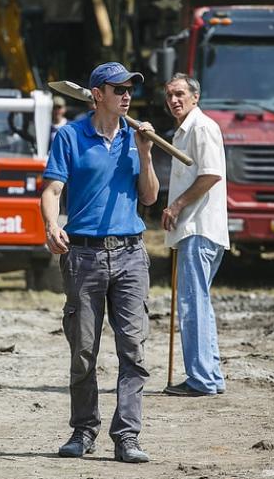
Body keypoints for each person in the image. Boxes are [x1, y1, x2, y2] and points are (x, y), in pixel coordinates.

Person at [40, 62, 159, 463]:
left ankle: (127, 436)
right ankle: (83, 430)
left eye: (130, 89)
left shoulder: (135, 137)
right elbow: (53, 189)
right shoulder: (70, 136)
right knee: (83, 351)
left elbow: (149, 197)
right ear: (97, 94)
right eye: (118, 88)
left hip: (130, 254)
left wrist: (145, 154)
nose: (127, 95)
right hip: (84, 255)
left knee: (133, 351)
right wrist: (52, 225)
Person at [161, 73, 230, 397]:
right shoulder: (185, 130)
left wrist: (175, 207)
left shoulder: (202, 127)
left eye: (179, 94)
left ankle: (201, 380)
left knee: (193, 304)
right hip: (199, 230)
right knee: (198, 302)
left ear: (195, 97)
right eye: (170, 96)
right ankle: (210, 377)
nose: (174, 100)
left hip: (198, 228)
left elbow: (211, 174)